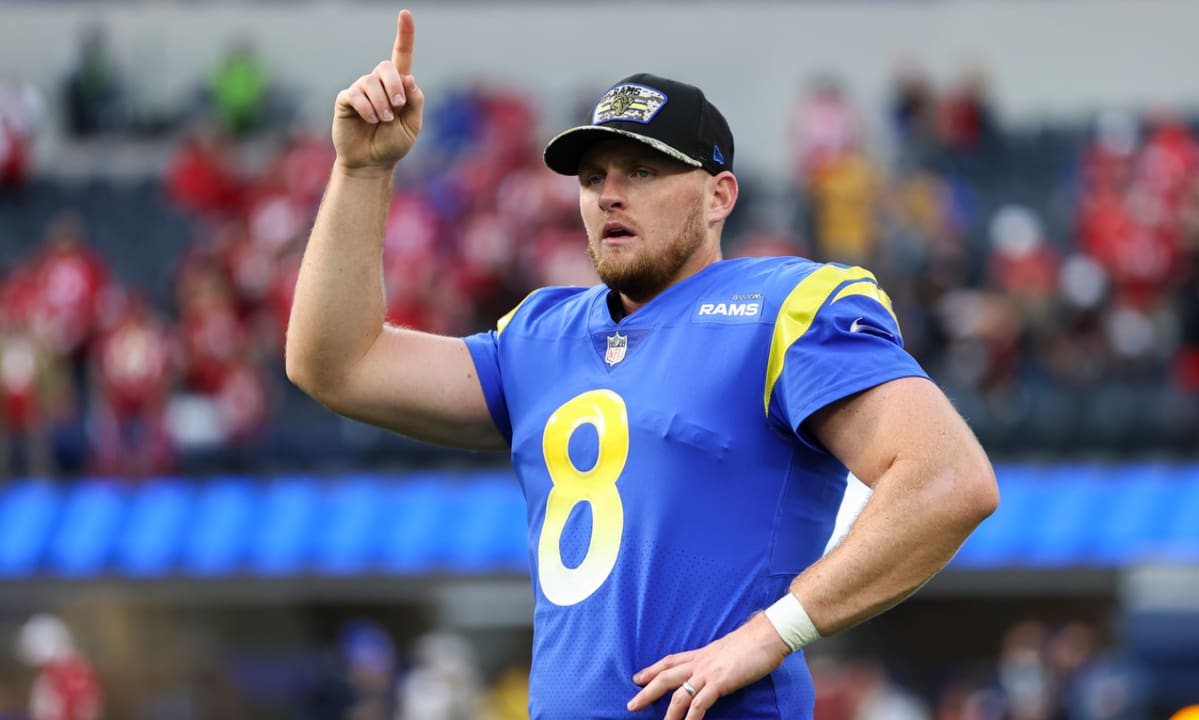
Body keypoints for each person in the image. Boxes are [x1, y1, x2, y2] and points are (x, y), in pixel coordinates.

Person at [286, 10, 998, 720]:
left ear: (720, 196)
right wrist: (362, 168)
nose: (610, 194)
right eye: (593, 176)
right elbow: (338, 364)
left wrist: (772, 632)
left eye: (644, 170)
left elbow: (947, 479)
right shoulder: (540, 334)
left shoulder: (786, 306)